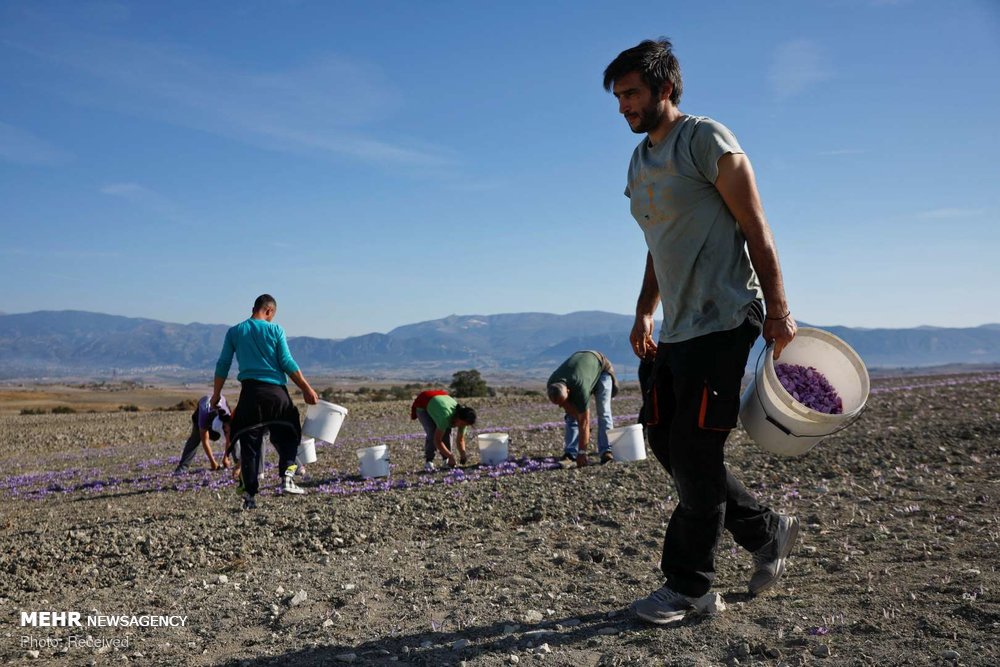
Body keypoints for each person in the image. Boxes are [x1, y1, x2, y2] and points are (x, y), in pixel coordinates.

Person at [603, 38, 799, 624]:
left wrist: (779, 312)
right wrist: (644, 311)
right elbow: (656, 246)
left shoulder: (706, 140)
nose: (623, 107)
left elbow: (755, 225)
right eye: (618, 97)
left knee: (694, 447)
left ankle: (690, 588)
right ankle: (766, 532)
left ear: (666, 89)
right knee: (665, 441)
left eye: (632, 93)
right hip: (678, 327)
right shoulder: (639, 162)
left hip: (726, 316)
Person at [212, 294, 319, 510]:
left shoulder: (235, 332)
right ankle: (288, 477)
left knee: (250, 445)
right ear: (269, 311)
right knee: (289, 434)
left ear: (254, 308)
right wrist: (306, 388)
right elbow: (287, 362)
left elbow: (223, 363)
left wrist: (216, 394)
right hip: (275, 394)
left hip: (250, 395)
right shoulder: (275, 330)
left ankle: (250, 496)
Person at [546, 350, 619, 467]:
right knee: (570, 417)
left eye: (563, 402)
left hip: (601, 369)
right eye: (559, 404)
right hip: (583, 371)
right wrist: (571, 411)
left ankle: (606, 451)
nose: (562, 406)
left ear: (569, 391)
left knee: (603, 412)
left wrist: (582, 452)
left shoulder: (580, 388)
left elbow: (584, 422)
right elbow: (569, 408)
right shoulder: (552, 384)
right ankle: (570, 454)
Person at [410, 389, 477, 471]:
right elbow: (437, 440)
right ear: (458, 417)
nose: (463, 426)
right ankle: (429, 461)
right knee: (432, 432)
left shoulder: (464, 420)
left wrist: (463, 454)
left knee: (447, 432)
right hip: (424, 402)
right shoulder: (445, 417)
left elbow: (460, 439)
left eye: (466, 425)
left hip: (439, 401)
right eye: (463, 424)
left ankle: (446, 461)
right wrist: (451, 456)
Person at [173, 394, 232, 473]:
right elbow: (205, 441)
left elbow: (229, 437)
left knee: (234, 436)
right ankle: (182, 468)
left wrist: (226, 458)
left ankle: (239, 463)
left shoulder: (227, 414)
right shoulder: (204, 416)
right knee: (195, 439)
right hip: (201, 413)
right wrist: (213, 462)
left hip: (219, 412)